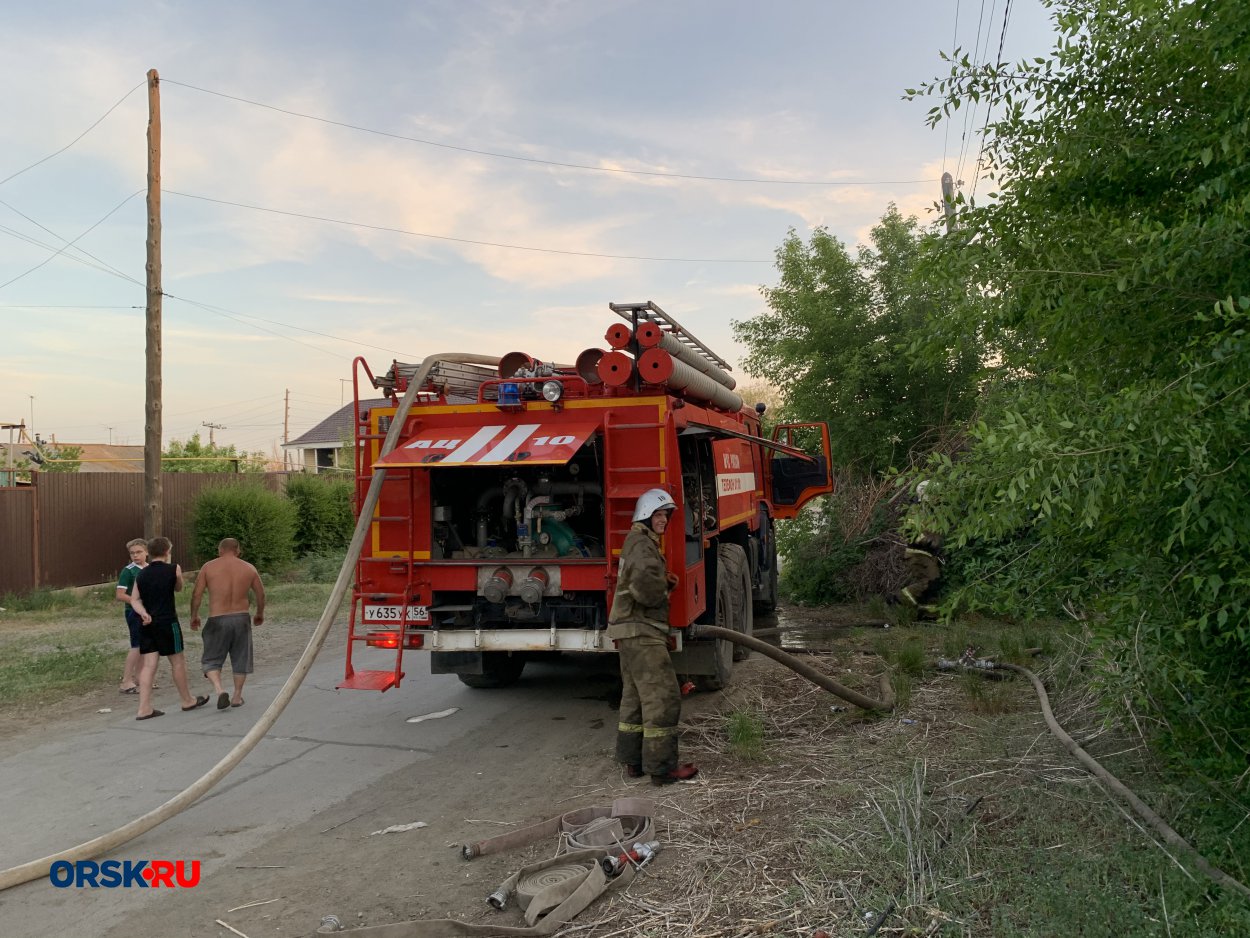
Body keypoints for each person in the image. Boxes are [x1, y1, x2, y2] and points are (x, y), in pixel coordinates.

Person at [607, 488, 698, 786]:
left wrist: (662, 582)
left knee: (634, 697)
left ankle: (633, 761)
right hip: (642, 629)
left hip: (629, 630)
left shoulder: (637, 542)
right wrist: (665, 586)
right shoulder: (643, 546)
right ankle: (662, 768)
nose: (663, 520)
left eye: (666, 515)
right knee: (662, 697)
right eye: (658, 515)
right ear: (645, 515)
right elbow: (646, 591)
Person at [129, 537, 211, 720]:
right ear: (167, 551)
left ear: (148, 553)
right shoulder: (174, 568)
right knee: (177, 662)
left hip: (147, 623)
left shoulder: (141, 574)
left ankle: (144, 708)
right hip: (167, 622)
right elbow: (179, 587)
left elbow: (134, 599)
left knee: (149, 665)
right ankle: (187, 699)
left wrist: (143, 613)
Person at [190, 537, 265, 710]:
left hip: (217, 618)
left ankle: (219, 689)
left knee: (211, 659)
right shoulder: (249, 568)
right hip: (241, 617)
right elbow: (261, 594)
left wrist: (194, 615)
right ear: (238, 550)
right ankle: (237, 696)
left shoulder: (208, 567)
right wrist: (259, 613)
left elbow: (197, 594)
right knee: (241, 657)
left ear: (220, 550)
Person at [898, 481, 943, 619]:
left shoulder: (929, 510)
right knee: (930, 582)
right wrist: (929, 542)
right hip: (918, 553)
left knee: (932, 585)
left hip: (928, 554)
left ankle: (929, 615)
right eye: (935, 494)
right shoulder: (916, 510)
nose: (938, 497)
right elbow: (910, 532)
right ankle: (898, 599)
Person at [115, 538, 148, 694]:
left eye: (139, 552)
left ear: (146, 552)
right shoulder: (128, 571)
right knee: (136, 646)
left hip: (147, 612)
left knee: (144, 646)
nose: (135, 556)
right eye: (132, 553)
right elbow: (120, 594)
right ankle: (126, 681)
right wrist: (136, 602)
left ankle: (140, 678)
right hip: (133, 612)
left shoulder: (149, 568)